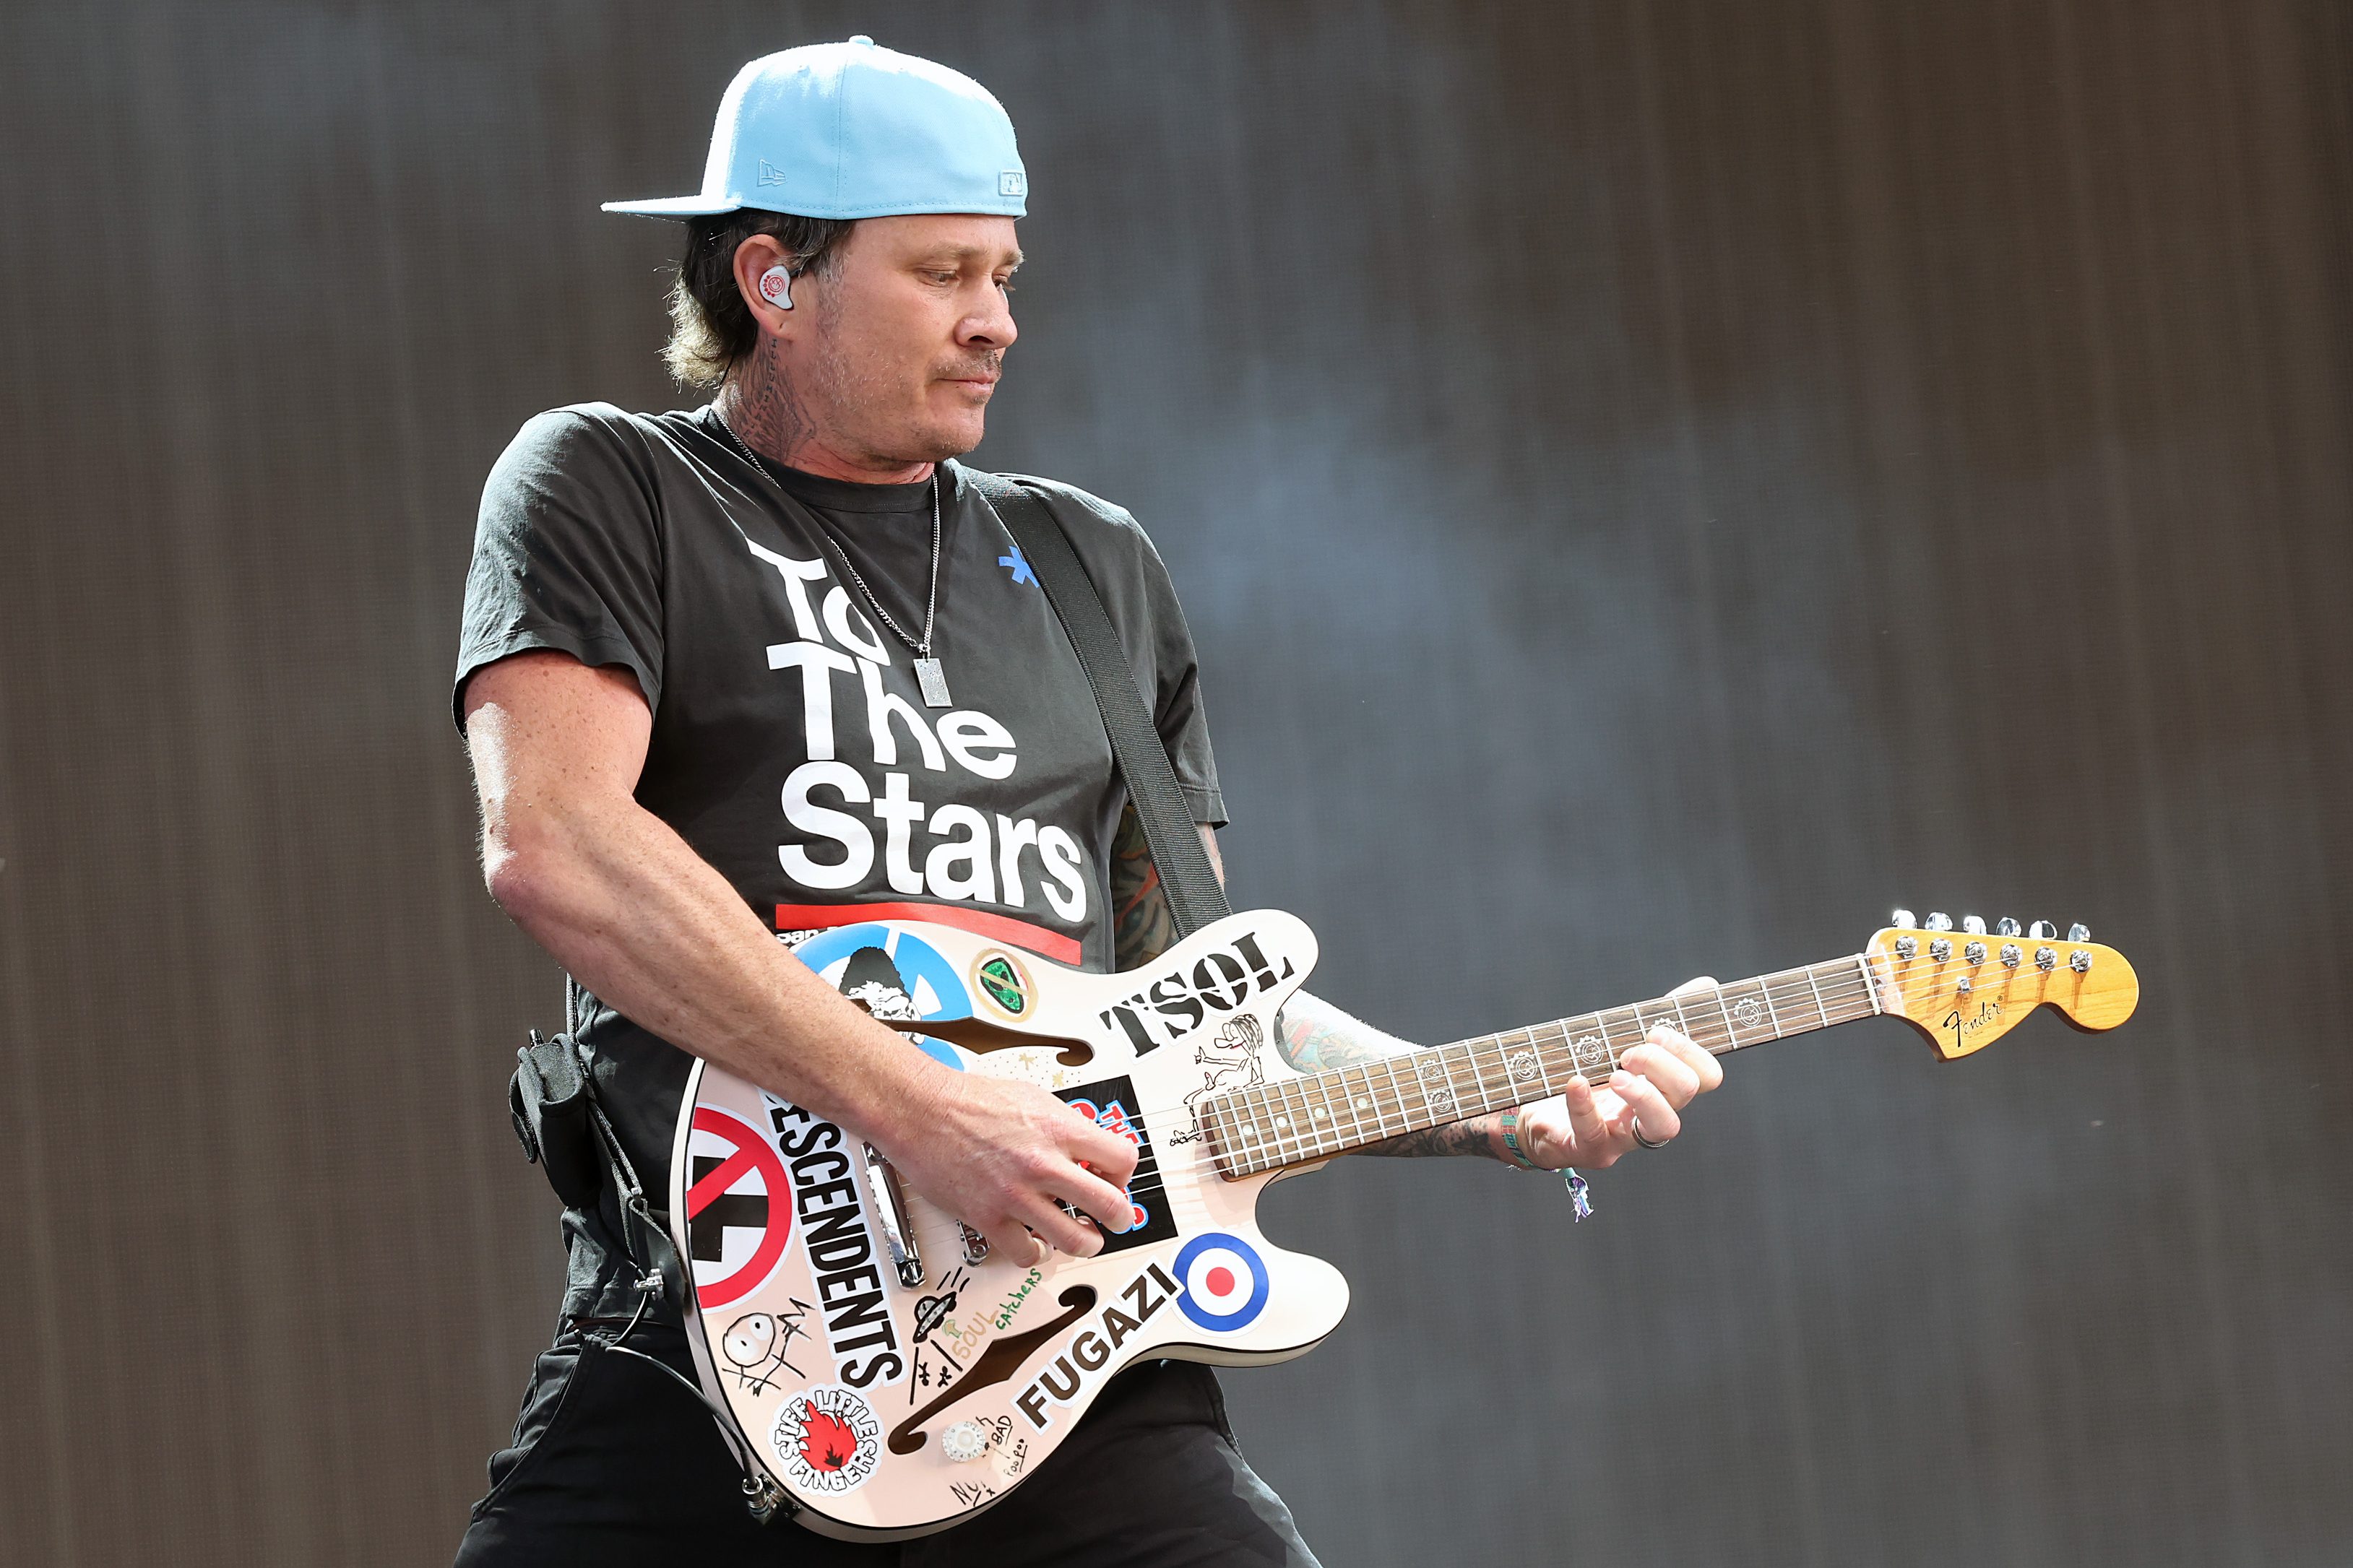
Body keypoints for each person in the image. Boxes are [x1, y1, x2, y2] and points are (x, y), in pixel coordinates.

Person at [449, 37, 1722, 1567]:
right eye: (941, 274)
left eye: (1005, 272)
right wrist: (918, 1109)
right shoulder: (611, 486)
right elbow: (559, 845)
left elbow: (1198, 1007)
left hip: (1072, 1349)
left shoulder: (1086, 564)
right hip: (720, 1343)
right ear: (773, 277)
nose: (996, 321)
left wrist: (1485, 1102)